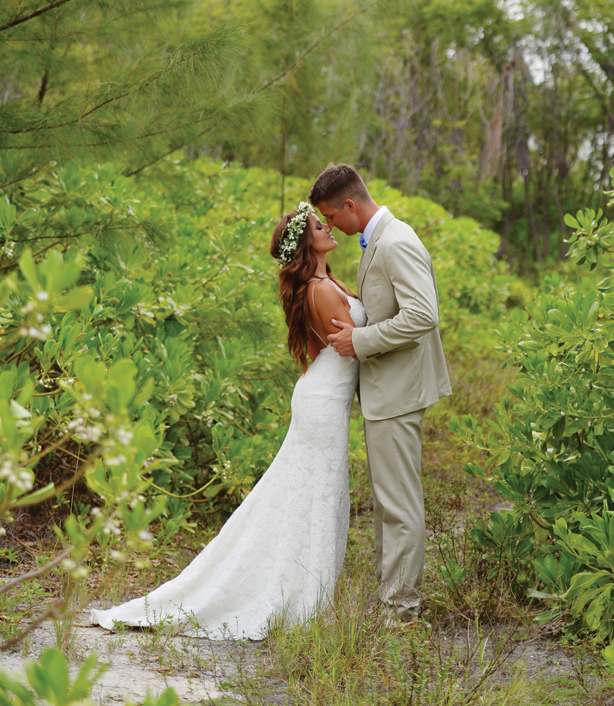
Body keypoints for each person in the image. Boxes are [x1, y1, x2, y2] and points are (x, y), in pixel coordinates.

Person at [89, 203, 365, 639]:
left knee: (308, 495)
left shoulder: (326, 282)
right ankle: (300, 598)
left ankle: (304, 590)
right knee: (313, 495)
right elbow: (355, 346)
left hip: (322, 393)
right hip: (324, 401)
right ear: (306, 243)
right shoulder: (322, 289)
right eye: (319, 225)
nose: (328, 228)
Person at [309, 164, 450, 622]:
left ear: (350, 205)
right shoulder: (378, 239)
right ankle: (391, 598)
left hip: (397, 390)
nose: (331, 227)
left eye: (331, 217)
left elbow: (423, 315)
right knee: (390, 502)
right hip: (386, 388)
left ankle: (401, 612)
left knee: (399, 505)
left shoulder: (397, 241)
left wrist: (361, 341)